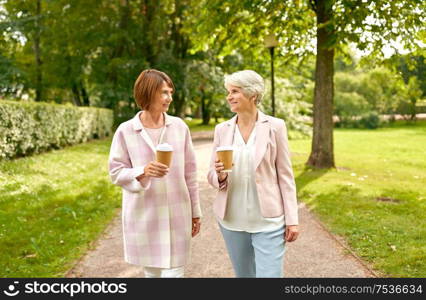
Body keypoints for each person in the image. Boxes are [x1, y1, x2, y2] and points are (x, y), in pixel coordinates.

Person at [109, 69, 201, 278]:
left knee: (174, 275)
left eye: (170, 92)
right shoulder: (126, 130)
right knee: (152, 274)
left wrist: (196, 212)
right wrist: (143, 171)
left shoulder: (179, 127)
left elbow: (190, 173)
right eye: (163, 92)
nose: (169, 98)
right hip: (145, 215)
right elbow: (115, 172)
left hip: (177, 212)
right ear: (147, 93)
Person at [207, 70, 299, 278]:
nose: (229, 96)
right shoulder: (222, 129)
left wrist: (292, 219)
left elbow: (285, 176)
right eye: (228, 92)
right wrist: (220, 176)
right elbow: (211, 175)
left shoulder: (275, 126)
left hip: (268, 222)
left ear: (253, 95)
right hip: (232, 219)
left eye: (235, 91)